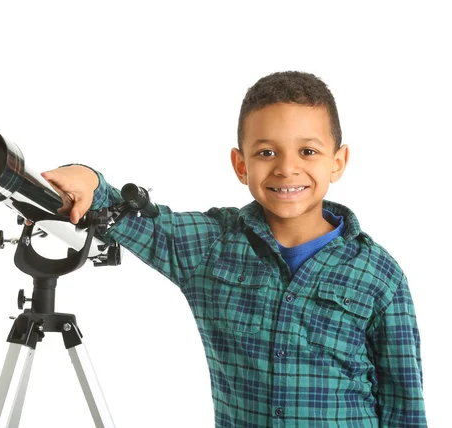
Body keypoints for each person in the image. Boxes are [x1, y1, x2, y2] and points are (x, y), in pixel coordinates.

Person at [40, 71, 427, 427]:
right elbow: (131, 220)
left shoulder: (379, 275)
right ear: (240, 165)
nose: (287, 168)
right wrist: (90, 178)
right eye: (266, 152)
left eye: (307, 151)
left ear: (337, 162)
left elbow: (403, 405)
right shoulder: (212, 246)